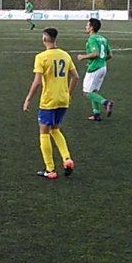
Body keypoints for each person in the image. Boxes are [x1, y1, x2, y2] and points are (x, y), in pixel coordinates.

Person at [23, 27, 79, 180]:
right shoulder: (65, 55)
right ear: (56, 39)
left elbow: (37, 82)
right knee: (55, 129)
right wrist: (68, 93)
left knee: (44, 132)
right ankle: (67, 159)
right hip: (63, 99)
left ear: (44, 39)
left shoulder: (41, 57)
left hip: (49, 100)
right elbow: (76, 77)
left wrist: (28, 99)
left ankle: (50, 169)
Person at [77, 18, 114, 122]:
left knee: (87, 92)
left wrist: (82, 57)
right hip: (103, 67)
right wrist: (101, 61)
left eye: (87, 25)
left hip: (95, 68)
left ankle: (106, 103)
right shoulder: (103, 39)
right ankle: (96, 114)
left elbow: (95, 53)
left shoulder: (92, 39)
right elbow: (110, 55)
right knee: (94, 91)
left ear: (91, 28)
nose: (86, 27)